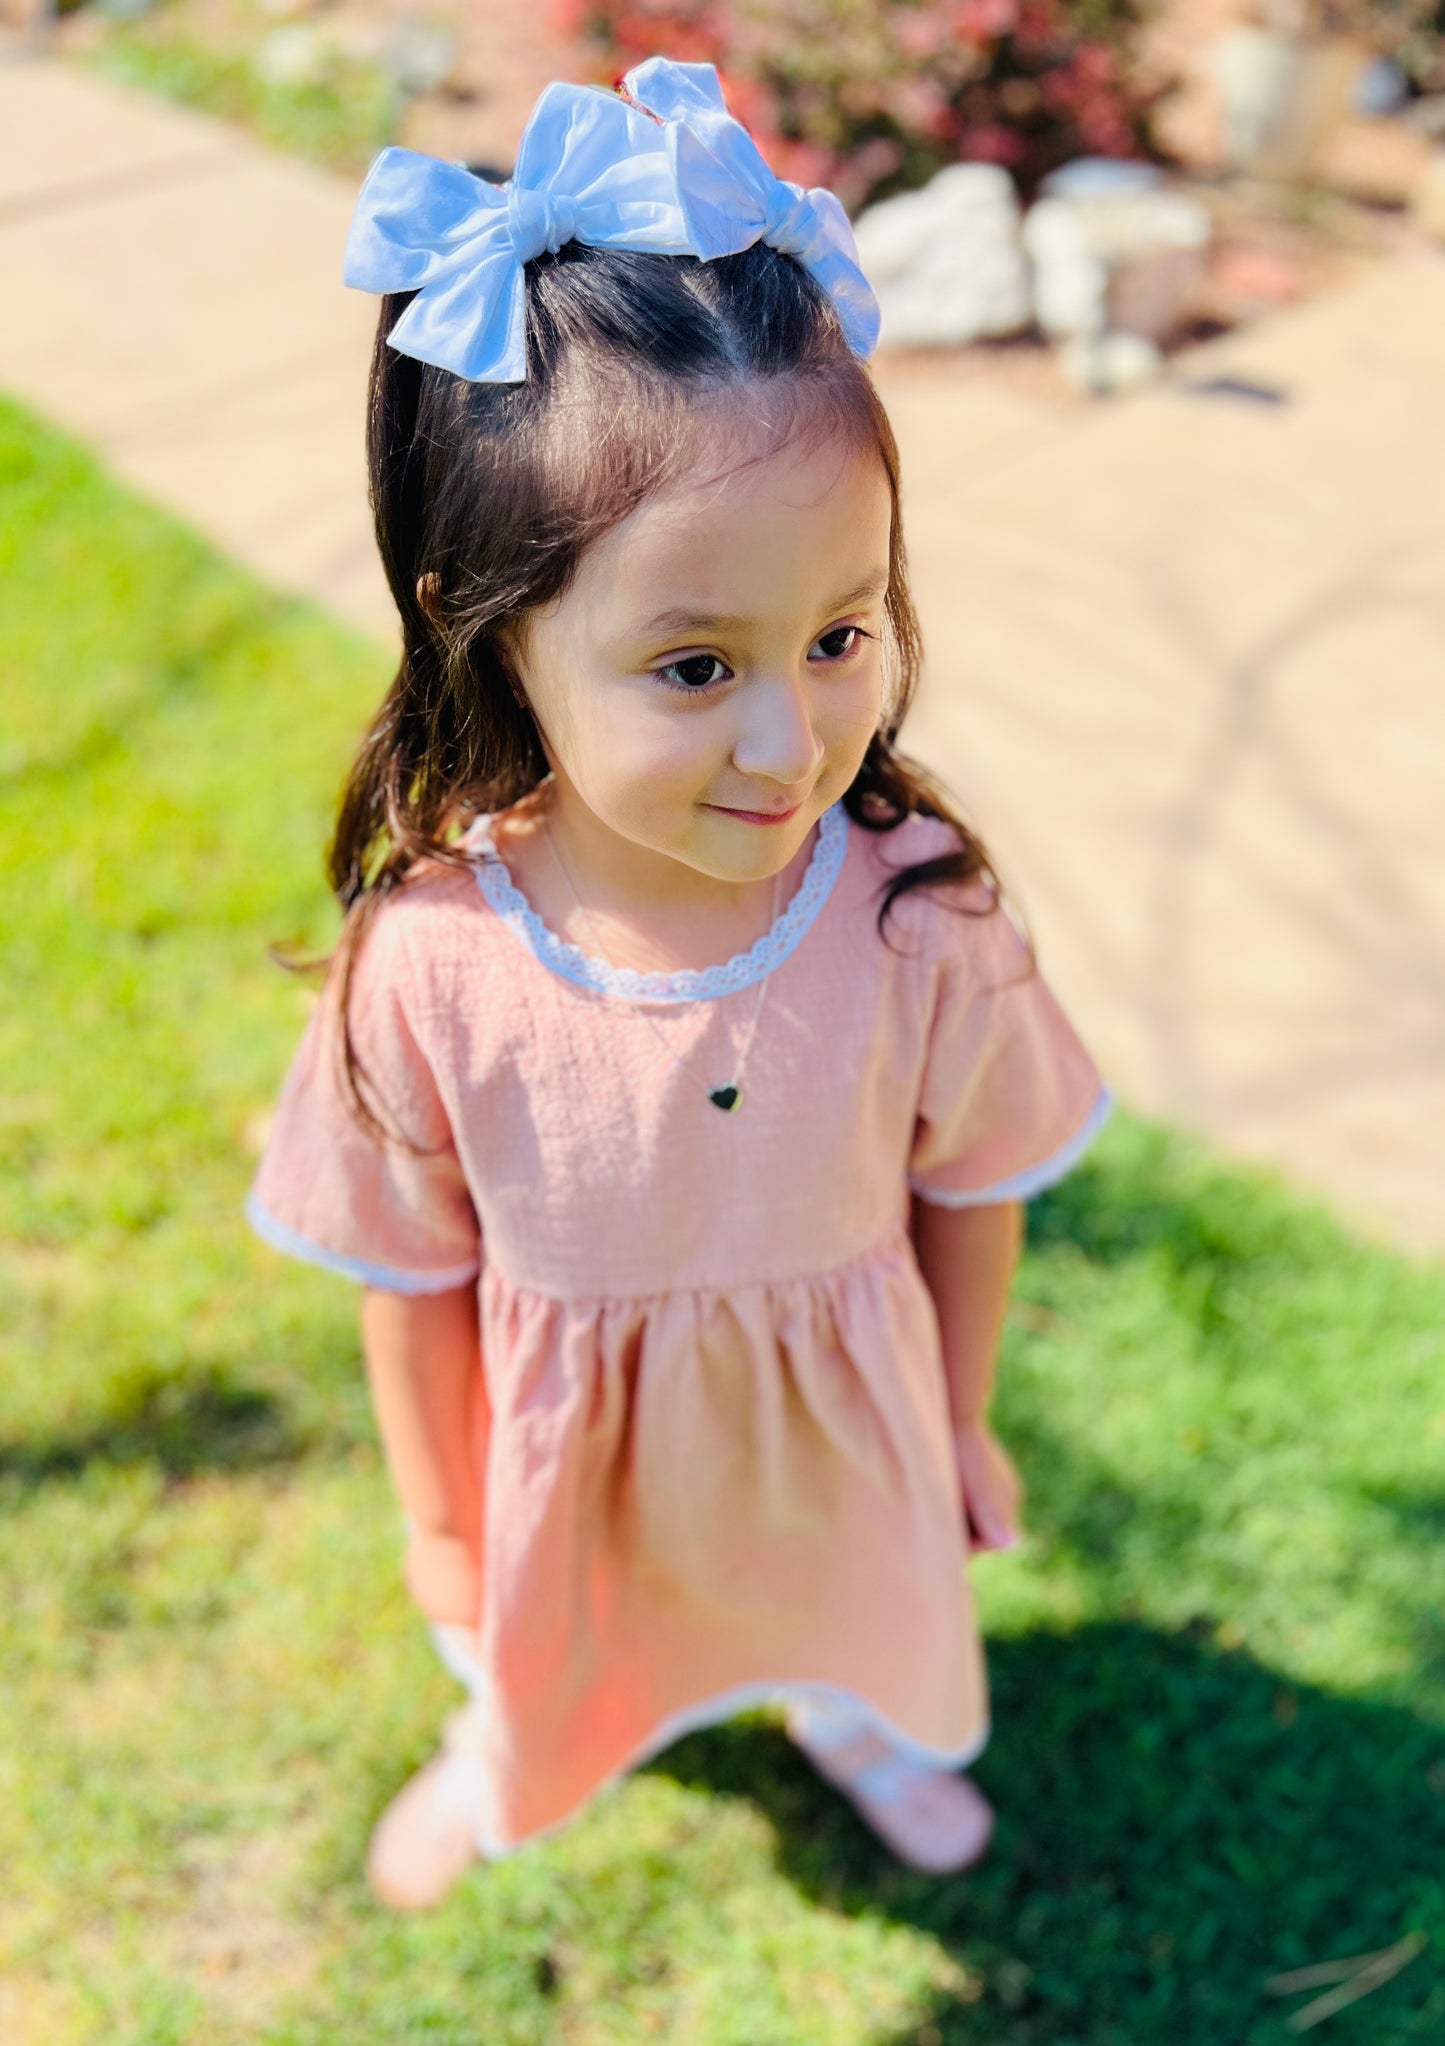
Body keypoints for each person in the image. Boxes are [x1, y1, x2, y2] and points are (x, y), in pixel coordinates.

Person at [245, 56, 1114, 1912]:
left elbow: (974, 1189)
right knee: (541, 1637)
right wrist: (437, 1522)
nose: (790, 735)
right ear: (497, 640)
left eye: (837, 631)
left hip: (839, 1424)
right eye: (692, 666)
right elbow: (411, 1285)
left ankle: (854, 1714)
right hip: (578, 1460)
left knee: (846, 1597)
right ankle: (510, 1741)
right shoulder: (436, 968)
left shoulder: (918, 920)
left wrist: (953, 1422)